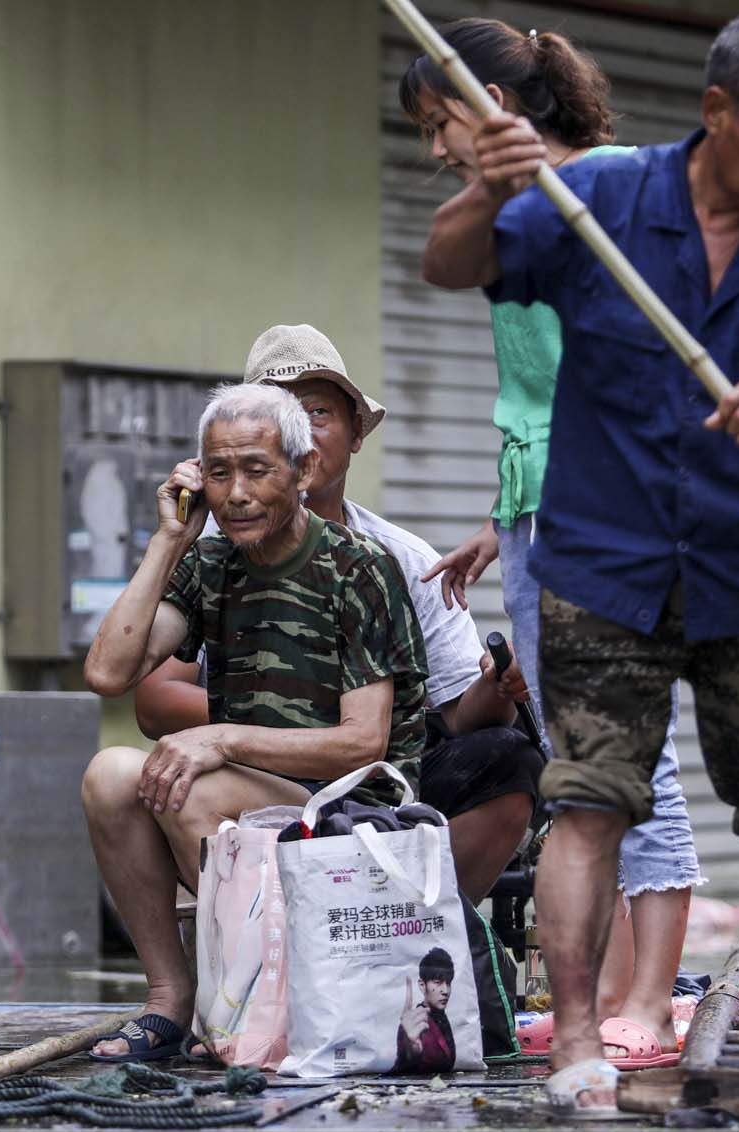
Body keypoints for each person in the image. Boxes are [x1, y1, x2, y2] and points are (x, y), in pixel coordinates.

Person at [421, 4, 739, 1113]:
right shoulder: (607, 202)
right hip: (600, 564)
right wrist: (489, 184)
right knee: (589, 804)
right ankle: (582, 1039)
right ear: (718, 113)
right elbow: (450, 264)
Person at [406, 20, 700, 1069]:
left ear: (487, 99)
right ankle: (616, 991)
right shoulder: (510, 209)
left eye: (439, 123)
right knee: (581, 760)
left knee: (635, 755)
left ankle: (653, 1001)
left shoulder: (620, 182)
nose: (436, 150)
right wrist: (503, 519)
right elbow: (542, 379)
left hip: (617, 510)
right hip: (542, 507)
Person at [136, 326, 540, 910]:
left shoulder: (390, 559)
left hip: (361, 774)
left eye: (318, 410)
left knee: (508, 757)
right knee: (126, 777)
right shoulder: (207, 552)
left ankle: (426, 932)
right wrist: (260, 731)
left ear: (354, 433)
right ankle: (210, 978)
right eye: (281, 410)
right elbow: (148, 698)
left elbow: (456, 715)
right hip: (246, 767)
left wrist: (498, 681)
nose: (301, 425)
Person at [83, 383, 429, 1061]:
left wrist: (221, 737)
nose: (235, 493)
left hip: (354, 819)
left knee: (193, 783)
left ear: (302, 472)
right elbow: (108, 672)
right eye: (218, 473)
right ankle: (169, 1001)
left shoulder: (357, 567)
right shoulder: (211, 562)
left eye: (256, 470)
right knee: (110, 776)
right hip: (256, 806)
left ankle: (247, 1009)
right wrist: (169, 539)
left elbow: (364, 744)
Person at [391, 949, 459, 1075]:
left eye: (448, 983)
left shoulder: (441, 1017)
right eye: (438, 983)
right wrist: (411, 1051)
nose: (445, 990)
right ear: (422, 985)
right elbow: (404, 1064)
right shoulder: (414, 1023)